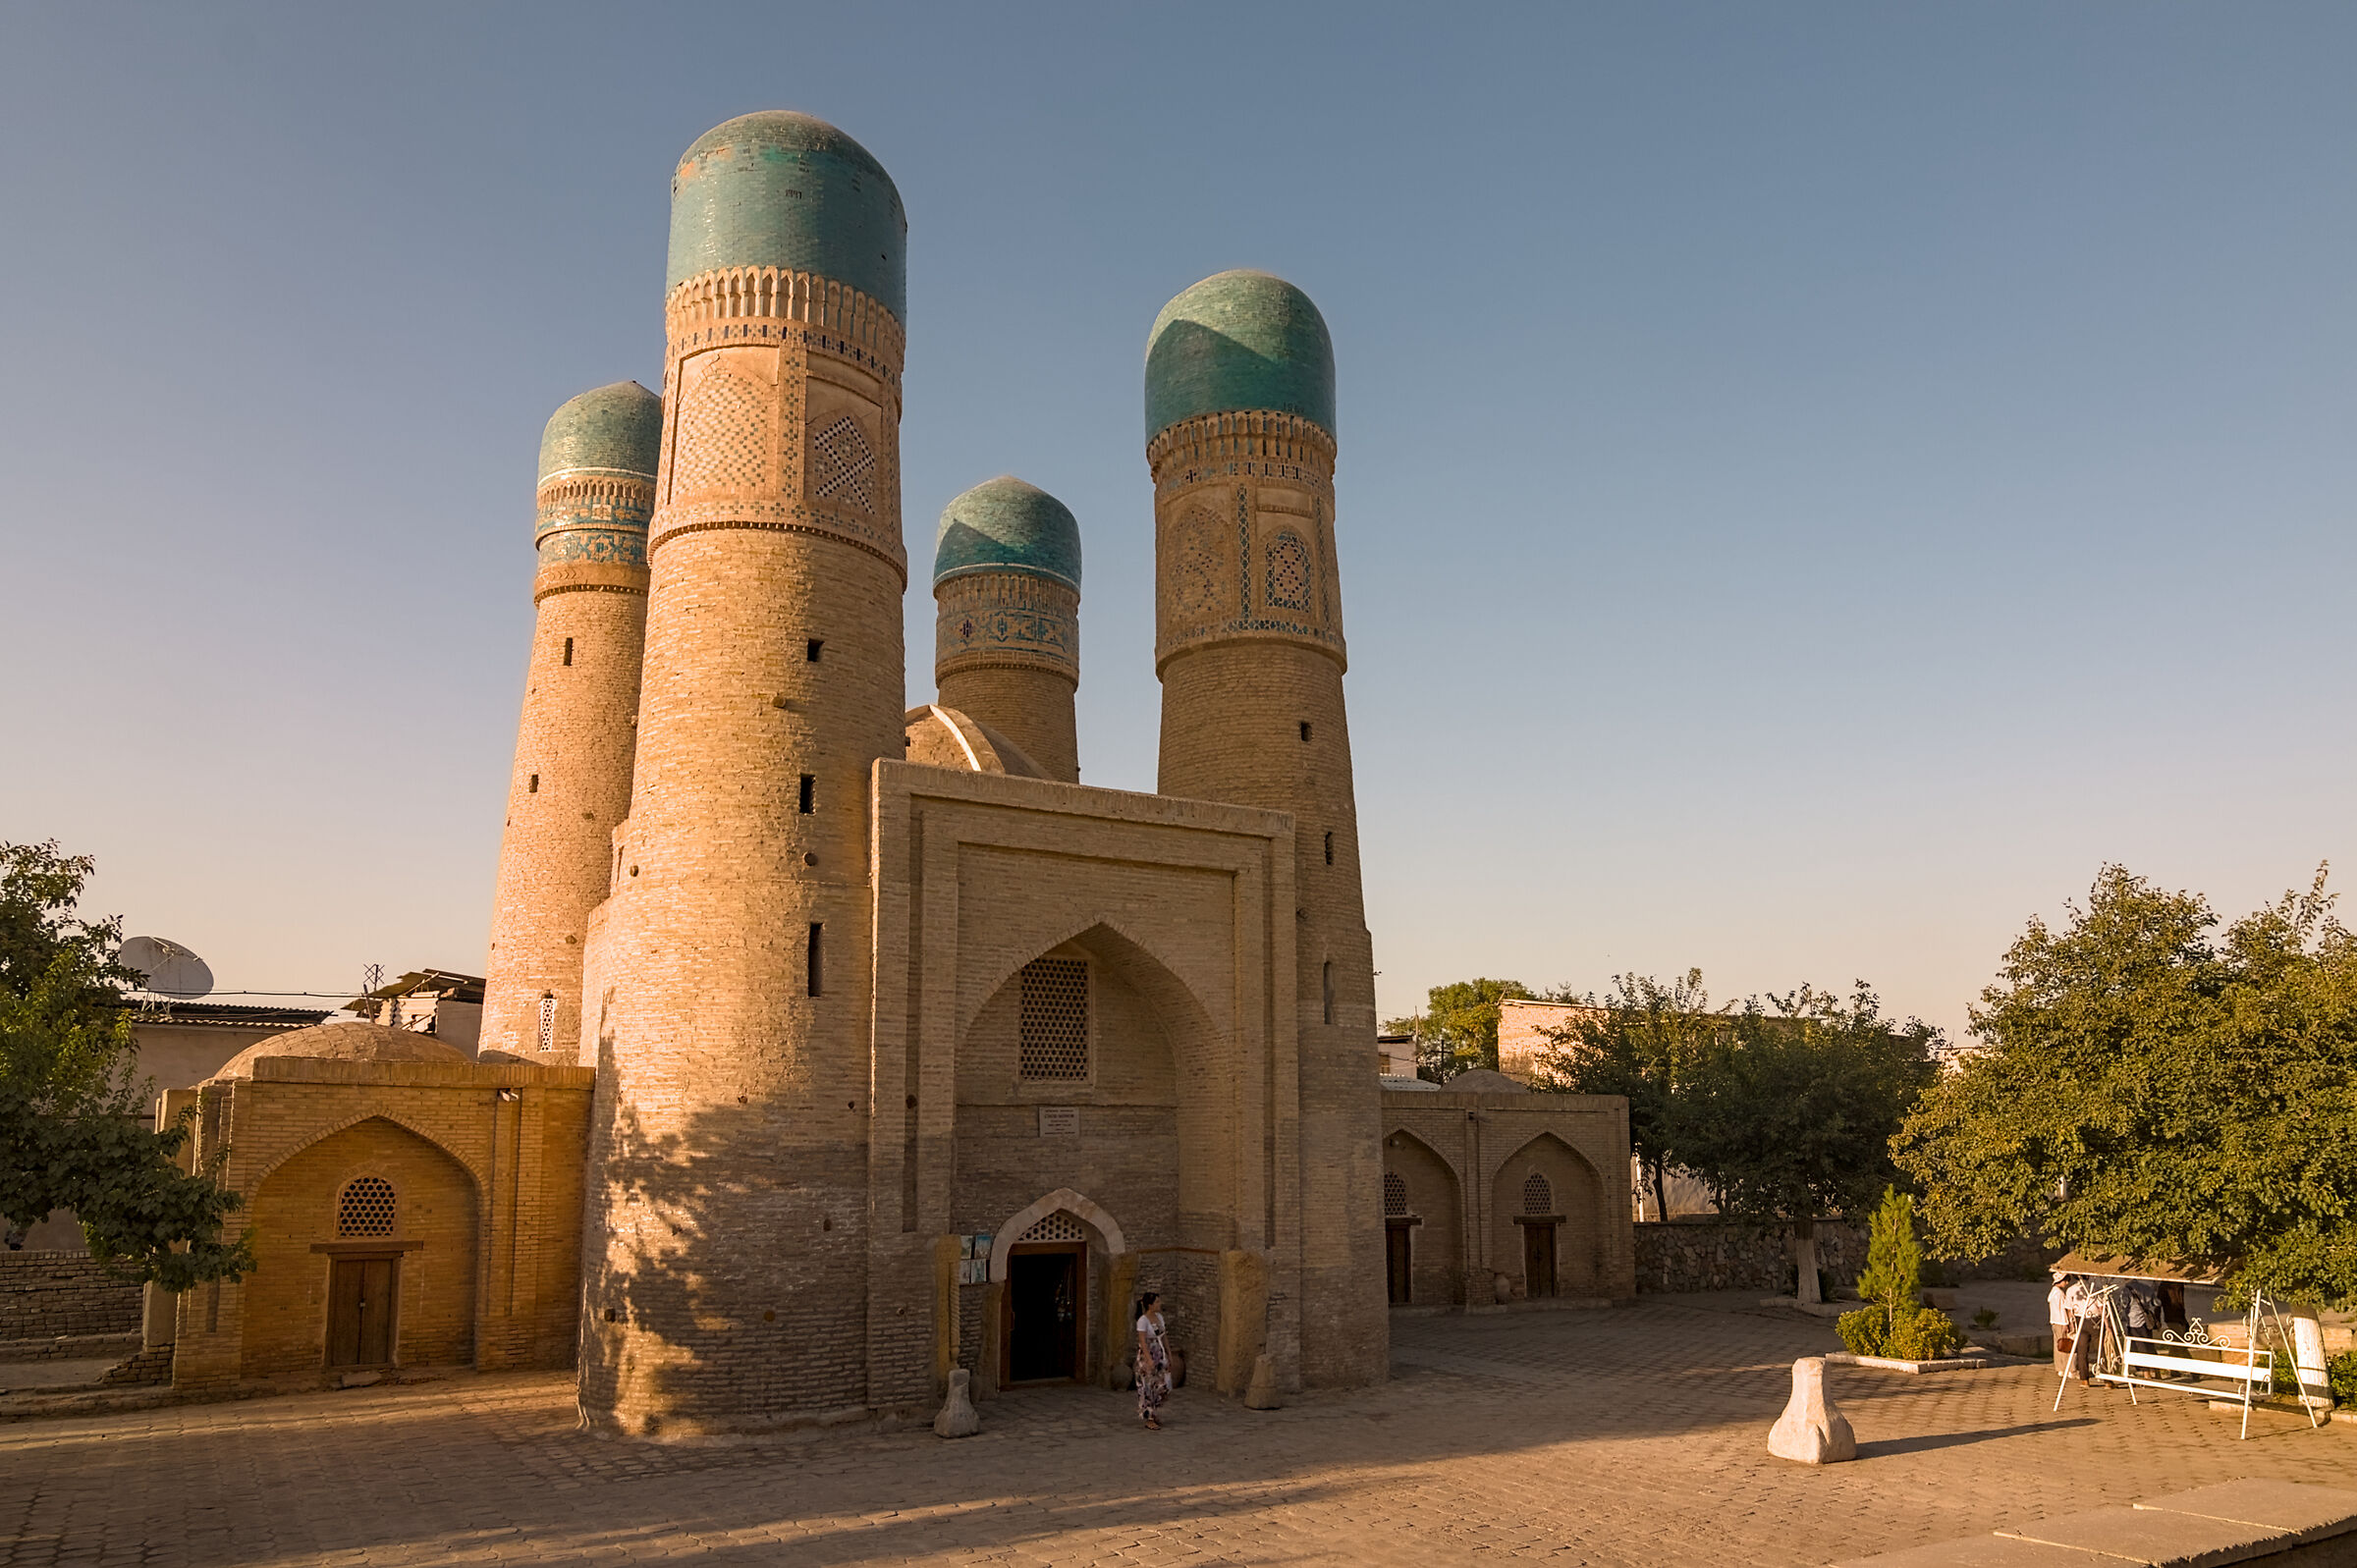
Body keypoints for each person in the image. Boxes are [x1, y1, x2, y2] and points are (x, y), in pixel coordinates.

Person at [1134, 1291, 1171, 1431]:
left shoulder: (1160, 1317)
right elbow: (1143, 1341)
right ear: (1150, 1305)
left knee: (1159, 1385)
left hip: (1159, 1353)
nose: (1159, 1304)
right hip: (1147, 1356)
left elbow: (1164, 1336)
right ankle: (1148, 1417)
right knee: (1147, 1386)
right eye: (1157, 1302)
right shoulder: (1143, 1320)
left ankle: (1154, 1413)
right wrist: (1149, 1359)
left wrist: (1168, 1354)